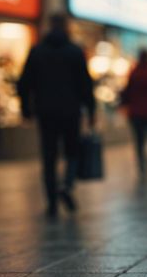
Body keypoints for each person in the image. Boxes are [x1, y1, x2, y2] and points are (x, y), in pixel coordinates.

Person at [17, 14, 95, 217]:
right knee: (72, 152)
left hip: (46, 111)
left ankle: (51, 201)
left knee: (49, 156)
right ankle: (66, 185)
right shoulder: (75, 51)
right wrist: (91, 109)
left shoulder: (37, 51)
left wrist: (26, 109)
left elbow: (24, 83)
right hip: (71, 111)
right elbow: (85, 85)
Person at [121, 49, 147, 178]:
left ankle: (142, 164)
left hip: (136, 112)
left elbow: (127, 92)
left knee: (139, 140)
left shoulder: (134, 73)